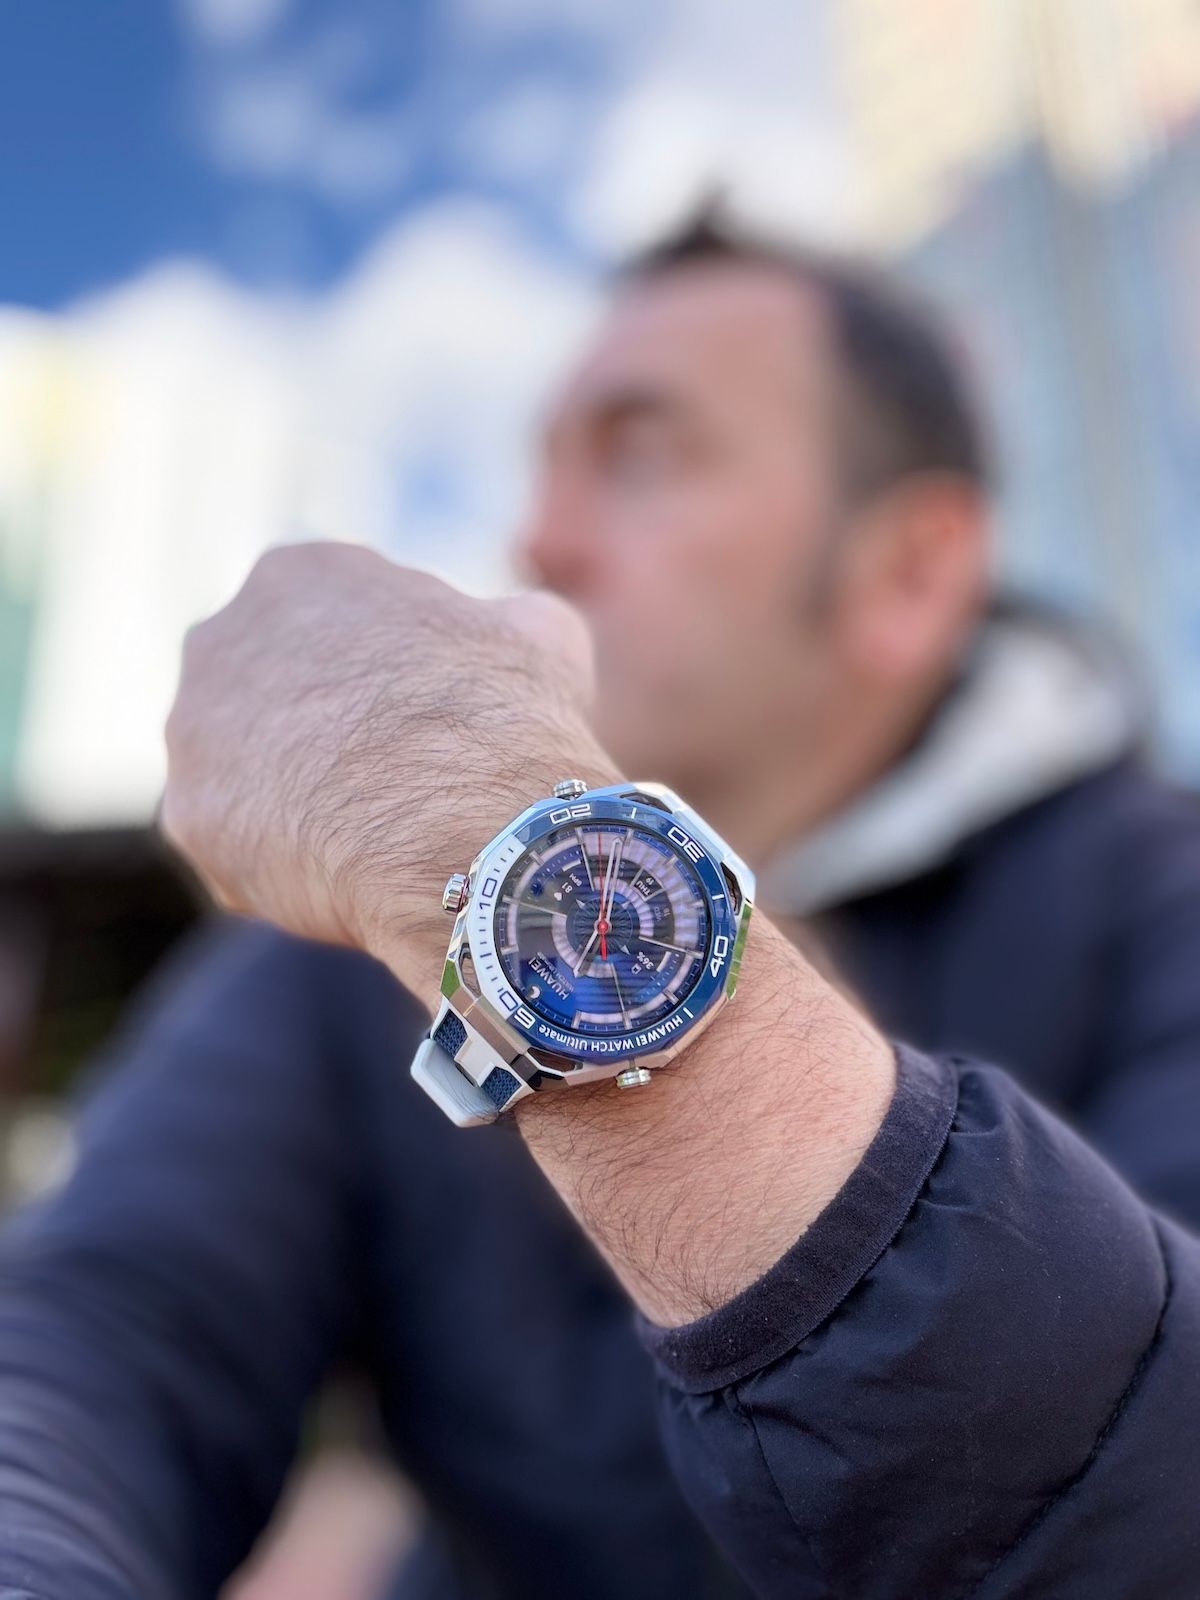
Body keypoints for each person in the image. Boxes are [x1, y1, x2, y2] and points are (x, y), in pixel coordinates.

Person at [2, 217, 1200, 1600]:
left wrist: (480, 807)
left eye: (642, 455)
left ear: (907, 575)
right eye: (544, 468)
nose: (541, 539)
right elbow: (97, 1332)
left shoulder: (1161, 897)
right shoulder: (354, 940)